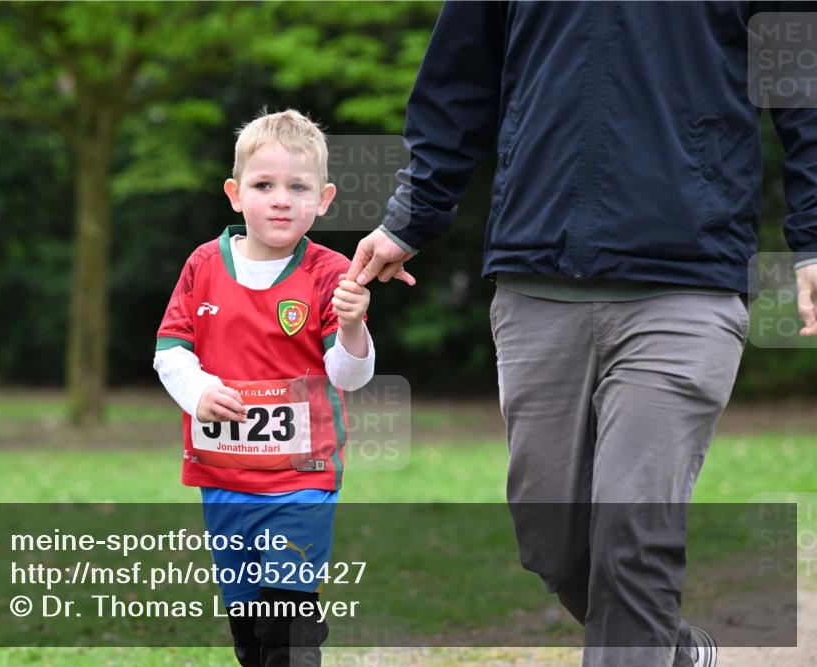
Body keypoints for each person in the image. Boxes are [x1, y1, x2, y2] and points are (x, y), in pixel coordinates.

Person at [347, 3, 816, 667]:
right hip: (536, 276)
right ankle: (670, 651)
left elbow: (804, 84)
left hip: (688, 280)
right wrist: (411, 215)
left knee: (632, 535)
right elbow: (458, 79)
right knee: (556, 545)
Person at [155, 109, 375, 667]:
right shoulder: (204, 265)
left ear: (323, 199)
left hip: (302, 478)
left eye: (298, 187)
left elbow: (349, 375)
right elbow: (169, 352)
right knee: (250, 634)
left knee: (287, 626)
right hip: (223, 477)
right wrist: (199, 391)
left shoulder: (330, 273)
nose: (281, 200)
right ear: (235, 194)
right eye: (263, 185)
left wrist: (353, 326)